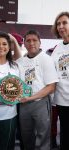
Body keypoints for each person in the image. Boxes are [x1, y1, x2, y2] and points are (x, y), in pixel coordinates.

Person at [16, 30, 59, 150]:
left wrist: (30, 98)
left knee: (43, 136)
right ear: (24, 44)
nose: (31, 43)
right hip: (23, 104)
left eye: (34, 40)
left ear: (40, 43)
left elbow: (51, 87)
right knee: (26, 137)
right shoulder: (20, 62)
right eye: (28, 41)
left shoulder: (46, 59)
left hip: (41, 102)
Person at [51, 11, 69, 150]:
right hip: (62, 99)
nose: (61, 26)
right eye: (58, 24)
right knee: (64, 134)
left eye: (64, 23)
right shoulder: (57, 49)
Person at [46, 45, 59, 148]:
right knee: (52, 121)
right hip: (52, 95)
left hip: (65, 94)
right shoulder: (49, 53)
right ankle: (52, 141)